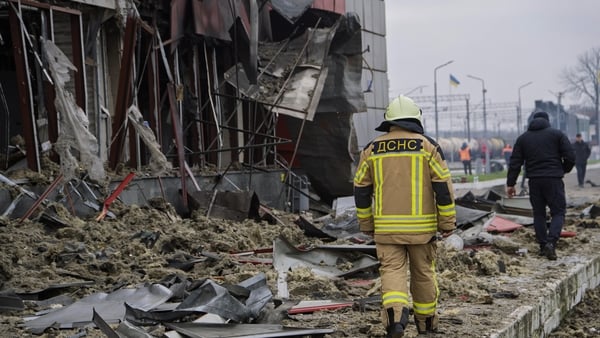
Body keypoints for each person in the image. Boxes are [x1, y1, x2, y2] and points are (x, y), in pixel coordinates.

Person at [353, 95, 456, 336]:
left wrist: (366, 224)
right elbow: (443, 188)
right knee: (423, 274)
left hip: (386, 230)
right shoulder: (428, 146)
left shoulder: (372, 149)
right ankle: (426, 325)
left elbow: (360, 190)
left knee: (392, 273)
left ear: (389, 121)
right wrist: (447, 223)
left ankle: (396, 321)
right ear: (415, 119)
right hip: (422, 231)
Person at [506, 111, 575, 260]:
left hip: (534, 181)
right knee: (558, 212)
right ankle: (551, 243)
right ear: (547, 120)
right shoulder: (557, 135)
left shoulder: (523, 138)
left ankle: (543, 246)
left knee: (539, 214)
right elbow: (570, 157)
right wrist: (562, 170)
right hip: (553, 180)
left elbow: (515, 163)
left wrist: (510, 184)